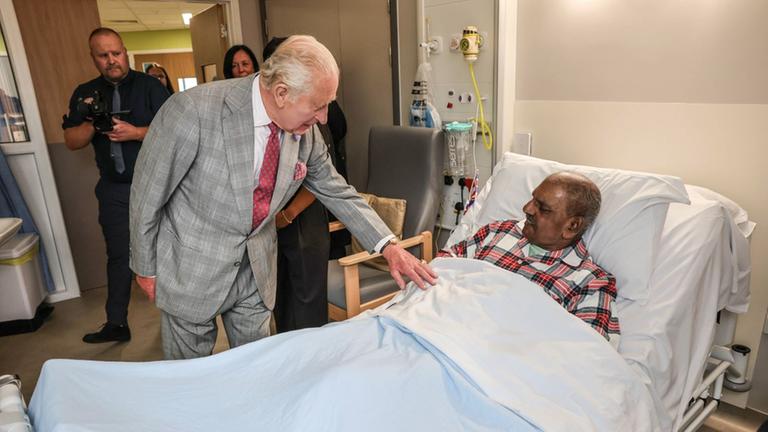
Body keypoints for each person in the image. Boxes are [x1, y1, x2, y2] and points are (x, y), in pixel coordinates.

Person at [129, 35, 436, 360]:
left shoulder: (305, 133)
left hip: (255, 273)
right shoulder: (192, 112)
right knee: (190, 379)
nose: (323, 118)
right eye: (318, 106)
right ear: (280, 93)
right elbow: (148, 195)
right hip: (192, 267)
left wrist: (388, 247)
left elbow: (337, 191)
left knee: (256, 368)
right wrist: (146, 269)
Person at [62, 27, 170, 343]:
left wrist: (135, 132)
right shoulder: (85, 93)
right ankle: (116, 324)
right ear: (93, 58)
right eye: (103, 55)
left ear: (125, 51)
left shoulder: (149, 87)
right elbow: (71, 141)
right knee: (119, 256)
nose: (112, 60)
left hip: (155, 186)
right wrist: (92, 122)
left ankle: (177, 320)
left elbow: (175, 132)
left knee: (166, 253)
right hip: (114, 189)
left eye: (116, 53)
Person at [439, 172, 620, 347]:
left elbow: (588, 355)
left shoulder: (590, 284)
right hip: (444, 330)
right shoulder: (496, 231)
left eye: (543, 208)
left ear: (572, 226)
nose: (527, 208)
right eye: (533, 199)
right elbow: (444, 265)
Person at [261, 36, 347, 333]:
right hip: (270, 225)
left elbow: (328, 181)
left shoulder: (311, 121)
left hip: (300, 220)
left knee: (306, 308)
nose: (322, 116)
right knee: (279, 302)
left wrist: (286, 215)